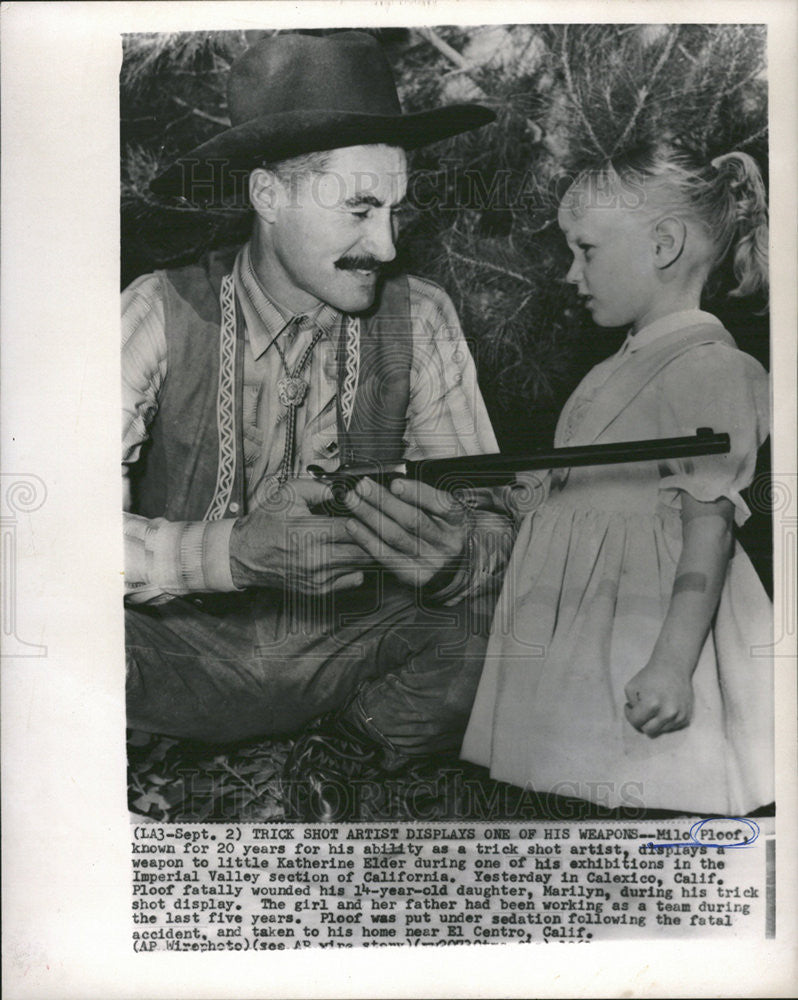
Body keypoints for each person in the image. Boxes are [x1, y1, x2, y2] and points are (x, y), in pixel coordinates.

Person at [123, 32, 514, 799]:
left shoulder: (421, 319)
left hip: (346, 645)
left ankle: (344, 751)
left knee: (513, 609)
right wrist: (228, 554)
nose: (388, 245)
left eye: (397, 211)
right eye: (361, 210)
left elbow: (495, 518)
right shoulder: (156, 310)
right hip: (173, 650)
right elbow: (54, 534)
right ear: (268, 197)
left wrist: (462, 553)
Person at [462, 145, 774, 816]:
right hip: (580, 627)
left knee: (645, 784)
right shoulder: (613, 367)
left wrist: (670, 663)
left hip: (639, 626)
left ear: (663, 244)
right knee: (573, 785)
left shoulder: (710, 369)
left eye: (587, 250)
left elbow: (708, 529)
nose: (572, 274)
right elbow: (586, 489)